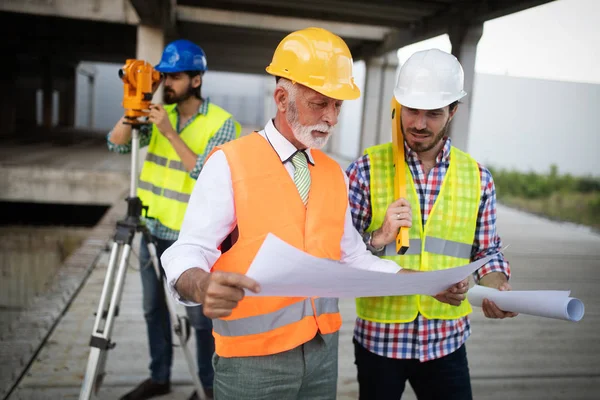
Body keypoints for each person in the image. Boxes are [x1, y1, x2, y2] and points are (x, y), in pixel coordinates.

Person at [160, 28, 468, 400]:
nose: (332, 118)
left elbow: (352, 257)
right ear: (281, 96)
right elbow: (188, 249)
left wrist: (425, 282)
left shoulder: (333, 172)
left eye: (338, 105)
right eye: (320, 103)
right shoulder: (230, 162)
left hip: (323, 356)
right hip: (253, 364)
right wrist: (200, 284)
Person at [346, 48, 518, 400]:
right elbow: (342, 253)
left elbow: (488, 251)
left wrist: (497, 286)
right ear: (397, 103)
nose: (419, 123)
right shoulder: (365, 169)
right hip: (381, 340)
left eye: (433, 113)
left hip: (446, 341)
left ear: (453, 110)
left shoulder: (478, 178)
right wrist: (378, 237)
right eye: (411, 110)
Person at [107, 39, 241, 400]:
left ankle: (208, 386)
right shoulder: (155, 110)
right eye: (164, 76)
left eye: (175, 77)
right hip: (151, 231)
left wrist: (168, 131)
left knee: (200, 319)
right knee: (153, 309)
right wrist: (133, 105)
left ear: (196, 80)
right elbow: (116, 143)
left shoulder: (223, 124)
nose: (167, 83)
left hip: (192, 240)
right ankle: (159, 376)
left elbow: (205, 172)